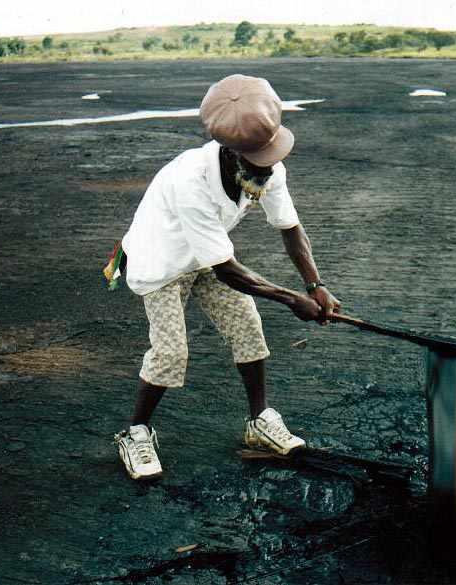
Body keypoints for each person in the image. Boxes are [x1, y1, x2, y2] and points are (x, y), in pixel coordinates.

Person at [110, 74, 341, 481]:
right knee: (170, 353)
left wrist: (315, 285)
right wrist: (293, 301)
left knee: (248, 327)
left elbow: (290, 227)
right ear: (233, 153)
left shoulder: (266, 165)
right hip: (161, 262)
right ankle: (135, 433)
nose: (269, 168)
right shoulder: (190, 181)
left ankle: (258, 423)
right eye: (259, 161)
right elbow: (228, 271)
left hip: (208, 256)